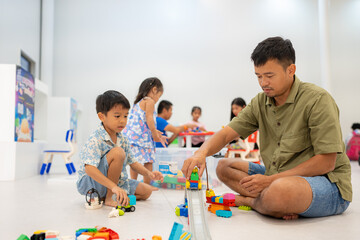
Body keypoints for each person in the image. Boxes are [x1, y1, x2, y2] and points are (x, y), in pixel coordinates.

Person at [182, 37, 352, 220]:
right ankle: (274, 202)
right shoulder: (260, 102)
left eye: (269, 76)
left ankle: (251, 201)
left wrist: (270, 181)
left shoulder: (317, 100)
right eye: (258, 76)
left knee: (279, 191)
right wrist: (200, 153)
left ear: (291, 70)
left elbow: (326, 162)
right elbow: (225, 135)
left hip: (326, 183)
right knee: (223, 166)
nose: (263, 83)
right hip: (278, 177)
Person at [77, 90, 163, 207]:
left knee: (147, 192)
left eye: (126, 116)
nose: (122, 120)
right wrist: (113, 187)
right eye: (117, 116)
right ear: (102, 116)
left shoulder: (123, 139)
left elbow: (133, 163)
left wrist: (149, 174)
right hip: (92, 182)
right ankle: (109, 197)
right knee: (118, 153)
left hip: (117, 182)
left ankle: (109, 197)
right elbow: (89, 169)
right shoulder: (96, 139)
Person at [123, 77, 166, 184]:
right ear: (154, 90)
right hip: (143, 140)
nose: (157, 100)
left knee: (134, 162)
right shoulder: (150, 101)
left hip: (133, 138)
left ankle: (133, 184)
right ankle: (147, 185)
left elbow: (142, 122)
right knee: (148, 161)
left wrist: (156, 132)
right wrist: (154, 133)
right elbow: (149, 118)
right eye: (159, 96)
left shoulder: (137, 103)